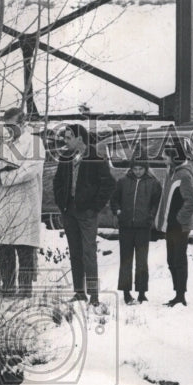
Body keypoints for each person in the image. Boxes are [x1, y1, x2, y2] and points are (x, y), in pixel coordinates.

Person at [0, 107, 44, 296]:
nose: (8, 129)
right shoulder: (4, 145)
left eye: (11, 125)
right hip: (3, 203)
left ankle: (25, 291)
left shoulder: (34, 142)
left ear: (23, 124)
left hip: (24, 201)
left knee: (24, 248)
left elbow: (30, 169)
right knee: (4, 247)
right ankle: (7, 288)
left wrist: (2, 178)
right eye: (5, 125)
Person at [52, 123, 115, 306]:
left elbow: (109, 184)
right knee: (75, 252)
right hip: (69, 210)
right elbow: (57, 181)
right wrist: (61, 201)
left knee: (89, 252)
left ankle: (94, 296)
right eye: (65, 137)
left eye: (69, 137)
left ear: (80, 139)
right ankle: (79, 292)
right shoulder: (65, 156)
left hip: (87, 212)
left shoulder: (95, 157)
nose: (65, 140)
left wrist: (95, 206)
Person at [109, 154, 162, 304]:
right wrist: (118, 212)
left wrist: (150, 217)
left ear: (146, 169)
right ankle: (126, 293)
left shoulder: (153, 183)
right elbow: (114, 199)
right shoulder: (123, 182)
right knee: (126, 260)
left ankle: (141, 293)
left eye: (141, 169)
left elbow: (156, 203)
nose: (138, 171)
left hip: (143, 228)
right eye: (135, 168)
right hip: (125, 227)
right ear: (131, 168)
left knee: (142, 261)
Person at [153, 140, 193, 307]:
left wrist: (180, 218)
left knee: (179, 260)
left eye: (167, 155)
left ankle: (181, 295)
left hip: (180, 226)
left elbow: (192, 201)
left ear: (175, 157)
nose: (164, 158)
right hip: (170, 224)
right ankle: (177, 292)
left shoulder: (184, 175)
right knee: (171, 260)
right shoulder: (171, 172)